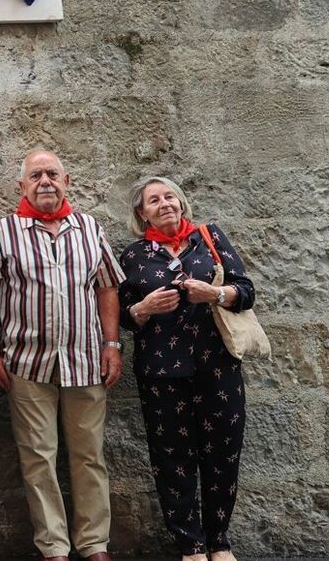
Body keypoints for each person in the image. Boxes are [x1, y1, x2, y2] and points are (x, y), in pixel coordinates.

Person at [0, 150, 124, 561]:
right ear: (21, 185)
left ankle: (94, 544)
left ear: (67, 181)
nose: (45, 181)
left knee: (89, 456)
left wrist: (112, 345)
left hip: (86, 361)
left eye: (52, 174)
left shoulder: (89, 228)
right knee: (38, 458)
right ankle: (53, 547)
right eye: (36, 175)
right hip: (25, 363)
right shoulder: (3, 232)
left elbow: (108, 287)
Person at [117, 177, 255, 561]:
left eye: (170, 196)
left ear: (182, 202)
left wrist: (215, 294)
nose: (165, 204)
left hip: (218, 370)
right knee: (171, 458)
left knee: (223, 453)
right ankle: (190, 545)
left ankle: (219, 542)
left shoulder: (209, 238)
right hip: (162, 373)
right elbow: (121, 316)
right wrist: (144, 309)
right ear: (141, 213)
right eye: (154, 200)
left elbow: (246, 290)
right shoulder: (133, 256)